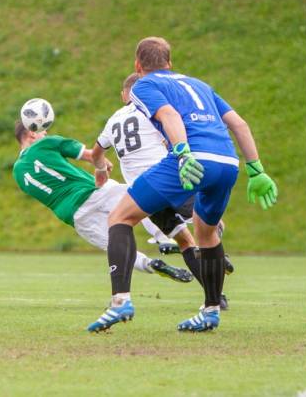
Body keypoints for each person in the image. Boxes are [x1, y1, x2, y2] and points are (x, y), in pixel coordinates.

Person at [87, 37, 277, 333]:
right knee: (206, 233)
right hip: (227, 162)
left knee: (120, 218)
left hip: (190, 160)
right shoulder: (200, 85)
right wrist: (256, 170)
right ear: (170, 62)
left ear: (137, 65)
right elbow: (239, 124)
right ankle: (211, 310)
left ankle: (120, 301)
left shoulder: (143, 85)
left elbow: (169, 115)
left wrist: (183, 153)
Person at [92, 72, 233, 308]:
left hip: (142, 193)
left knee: (184, 241)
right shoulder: (151, 109)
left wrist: (101, 170)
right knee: (210, 224)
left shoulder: (113, 120)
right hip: (167, 179)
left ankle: (215, 292)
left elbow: (96, 152)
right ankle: (214, 268)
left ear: (123, 95)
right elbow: (172, 132)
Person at [12, 121, 192, 284]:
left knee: (115, 247)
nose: (45, 133)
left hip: (74, 215)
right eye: (43, 130)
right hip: (94, 192)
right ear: (32, 132)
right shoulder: (46, 143)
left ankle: (150, 264)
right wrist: (102, 163)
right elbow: (91, 155)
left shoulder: (17, 172)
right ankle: (163, 239)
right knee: (142, 199)